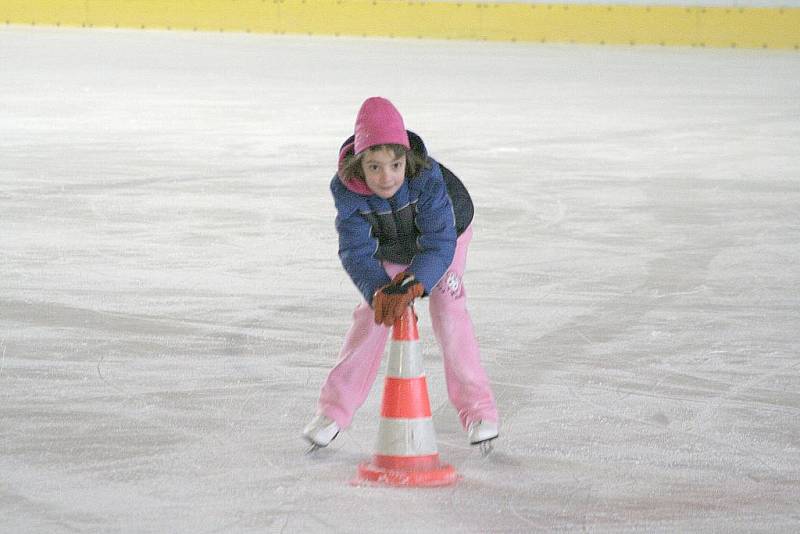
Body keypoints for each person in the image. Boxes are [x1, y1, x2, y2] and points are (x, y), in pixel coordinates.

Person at [303, 97, 499, 450]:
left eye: (395, 165)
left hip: (447, 237)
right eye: (374, 167)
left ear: (406, 159)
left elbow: (440, 241)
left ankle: (479, 411)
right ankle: (334, 411)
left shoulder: (425, 176)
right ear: (359, 165)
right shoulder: (346, 191)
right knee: (374, 313)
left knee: (448, 307)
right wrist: (380, 290)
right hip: (394, 244)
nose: (386, 177)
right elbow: (355, 250)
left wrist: (414, 281)